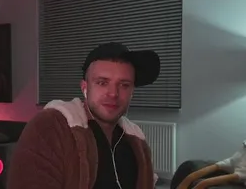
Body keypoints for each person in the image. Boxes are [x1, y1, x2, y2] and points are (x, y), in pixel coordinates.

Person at [11, 43, 161, 189]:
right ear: (85, 88)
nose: (113, 94)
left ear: (132, 92)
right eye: (102, 83)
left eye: (124, 85)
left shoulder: (136, 141)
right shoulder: (51, 127)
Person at [174, 121, 246, 189]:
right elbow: (231, 161)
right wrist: (189, 178)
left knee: (203, 183)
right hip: (238, 165)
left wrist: (204, 183)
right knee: (189, 169)